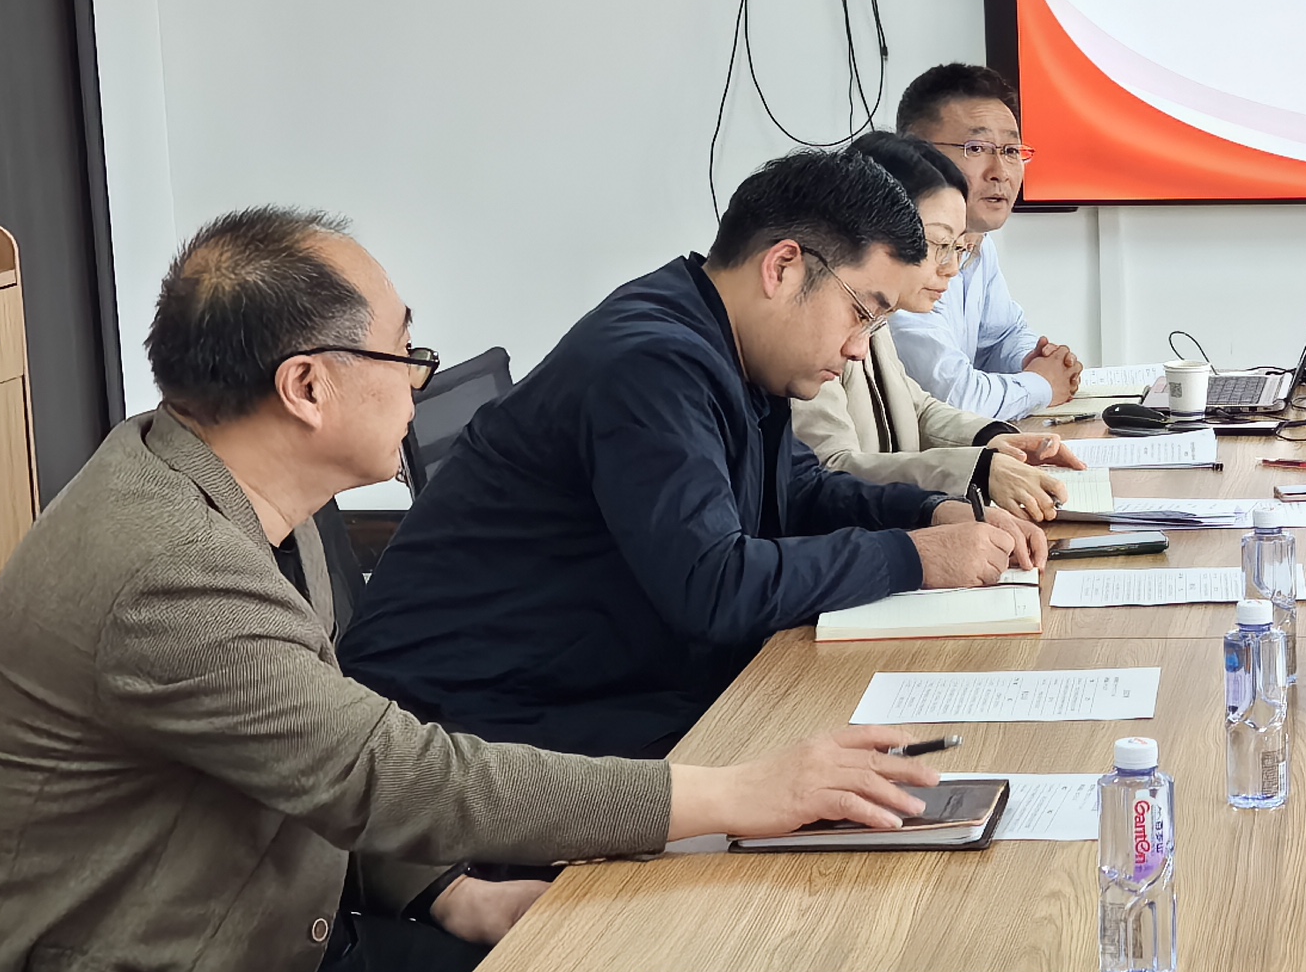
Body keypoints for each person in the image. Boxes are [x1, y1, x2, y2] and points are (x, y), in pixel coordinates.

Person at [0, 207, 951, 972]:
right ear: (306, 386)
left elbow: (305, 759)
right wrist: (731, 794)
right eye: (403, 353)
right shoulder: (168, 568)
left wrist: (450, 892)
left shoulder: (236, 499)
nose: (418, 379)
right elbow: (389, 773)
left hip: (281, 953)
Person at [345, 149, 1039, 759]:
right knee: (841, 779)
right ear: (784, 268)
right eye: (862, 312)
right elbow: (715, 586)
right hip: (463, 731)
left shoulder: (726, 341)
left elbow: (800, 492)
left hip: (586, 687)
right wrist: (913, 557)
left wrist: (931, 512)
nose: (860, 347)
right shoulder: (652, 362)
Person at [798, 131, 1078, 517]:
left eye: (958, 248)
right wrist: (977, 469)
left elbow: (916, 408)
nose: (950, 269)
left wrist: (991, 439)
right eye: (938, 245)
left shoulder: (879, 317)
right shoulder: (813, 324)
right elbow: (828, 474)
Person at [889, 64, 1084, 421]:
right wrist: (1041, 384)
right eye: (976, 148)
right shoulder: (897, 249)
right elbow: (955, 398)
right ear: (916, 153)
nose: (1001, 172)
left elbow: (1001, 335)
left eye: (1011, 150)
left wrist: (1033, 360)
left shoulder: (976, 241)